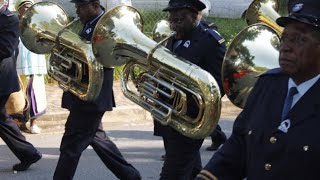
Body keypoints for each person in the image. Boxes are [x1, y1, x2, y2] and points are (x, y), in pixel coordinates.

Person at [195, 0, 320, 179]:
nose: (286, 47)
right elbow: (239, 145)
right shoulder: (268, 84)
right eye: (284, 38)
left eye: (299, 40)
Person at [53, 0, 141, 179]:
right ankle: (130, 175)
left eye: (80, 7)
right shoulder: (89, 24)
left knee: (70, 145)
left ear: (94, 6)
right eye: (76, 6)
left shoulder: (106, 26)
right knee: (98, 139)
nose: (77, 11)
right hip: (84, 94)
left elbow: (102, 62)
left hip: (92, 97)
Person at [154, 0, 226, 179]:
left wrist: (193, 103)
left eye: (180, 14)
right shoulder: (171, 38)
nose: (174, 18)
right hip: (170, 116)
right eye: (171, 13)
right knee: (192, 169)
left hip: (191, 118)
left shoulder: (209, 40)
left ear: (195, 15)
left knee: (172, 173)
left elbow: (219, 83)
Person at [0, 0, 42, 171]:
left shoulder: (9, 19)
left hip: (2, 79)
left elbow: (6, 49)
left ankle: (28, 153)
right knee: (2, 119)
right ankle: (28, 153)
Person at [198, 0, 227, 152]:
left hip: (214, 80)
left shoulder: (208, 32)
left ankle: (218, 136)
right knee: (200, 111)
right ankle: (218, 136)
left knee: (200, 111)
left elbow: (220, 62)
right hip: (204, 78)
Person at [14, 0, 47, 134]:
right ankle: (19, 123)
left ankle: (33, 123)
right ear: (19, 9)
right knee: (19, 96)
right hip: (18, 64)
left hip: (35, 64)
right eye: (26, 7)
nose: (28, 10)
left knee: (35, 95)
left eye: (30, 7)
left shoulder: (37, 23)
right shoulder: (12, 23)